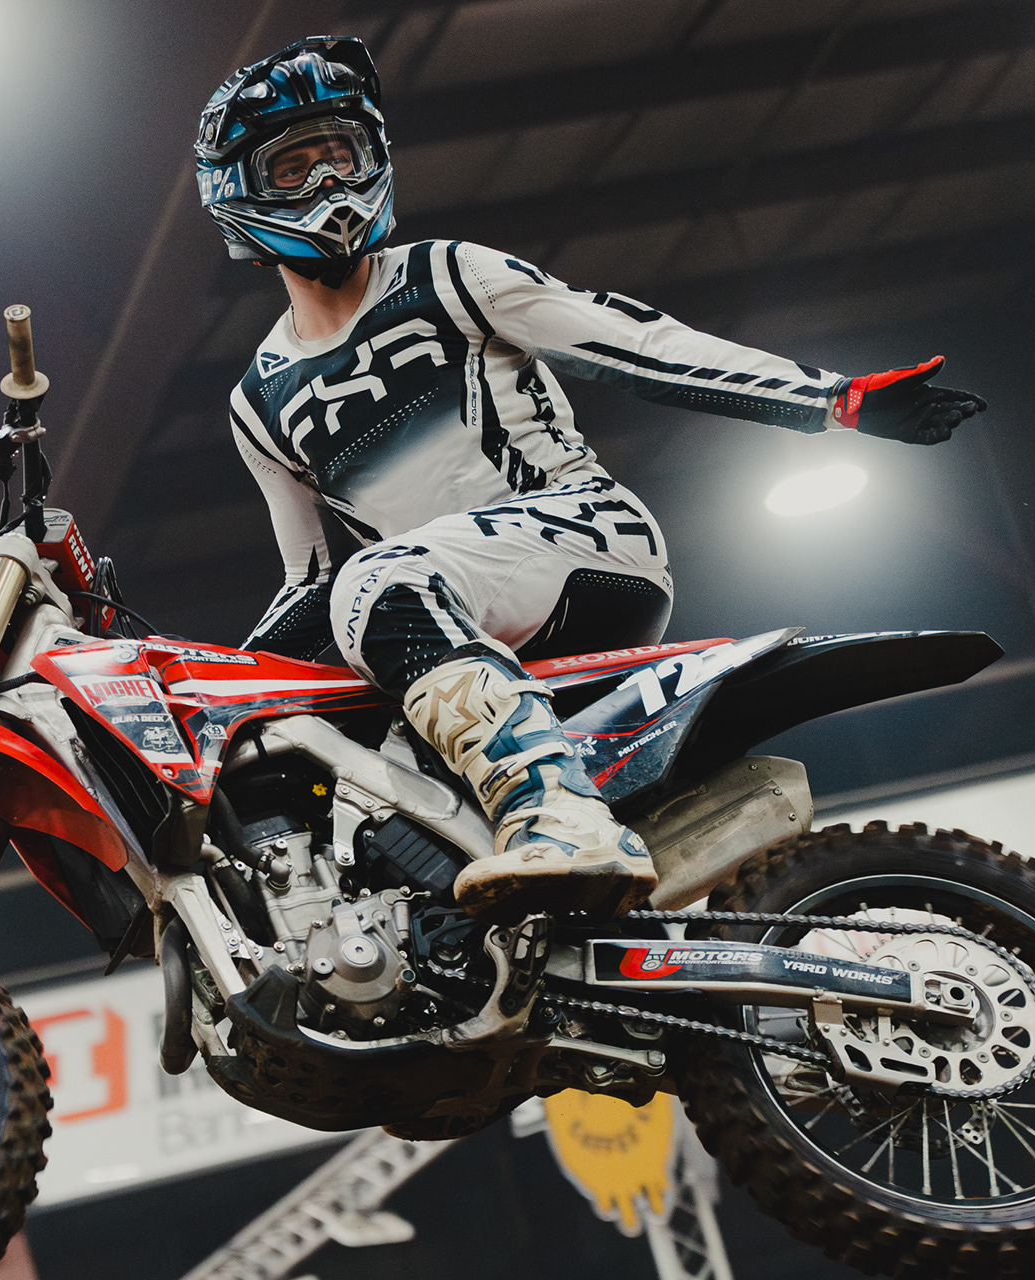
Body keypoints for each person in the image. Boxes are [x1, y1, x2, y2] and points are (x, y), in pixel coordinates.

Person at [195, 36, 986, 921]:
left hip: (588, 537)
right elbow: (308, 584)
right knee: (333, 767)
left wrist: (833, 400)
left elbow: (636, 343)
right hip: (449, 618)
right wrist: (205, 695)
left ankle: (560, 814)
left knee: (376, 581)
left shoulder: (448, 274)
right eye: (294, 165)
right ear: (240, 192)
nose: (327, 181)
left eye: (341, 154)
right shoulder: (258, 401)